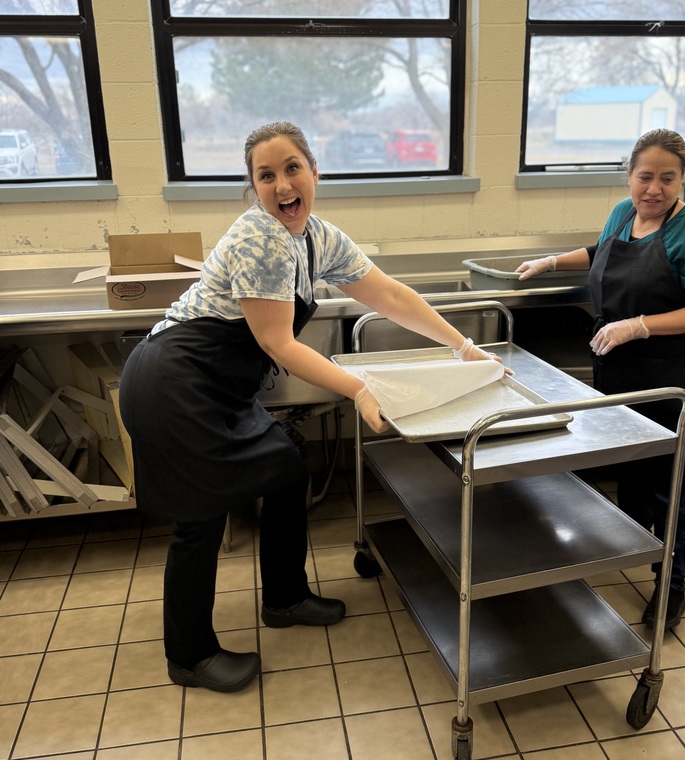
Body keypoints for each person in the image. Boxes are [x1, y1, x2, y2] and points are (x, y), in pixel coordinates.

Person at [119, 120, 503, 693]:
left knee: (287, 466)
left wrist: (463, 346)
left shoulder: (316, 237)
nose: (281, 186)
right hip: (175, 383)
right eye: (265, 176)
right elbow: (278, 343)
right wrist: (358, 388)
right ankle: (190, 655)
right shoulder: (261, 238)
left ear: (314, 171)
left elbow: (390, 295)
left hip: (218, 387)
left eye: (292, 168)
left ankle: (285, 596)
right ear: (253, 189)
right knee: (200, 519)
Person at [515, 129, 685, 631]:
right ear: (629, 175)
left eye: (667, 179)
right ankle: (623, 556)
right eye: (645, 177)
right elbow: (599, 251)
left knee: (663, 486)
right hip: (616, 372)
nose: (654, 189)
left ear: (681, 180)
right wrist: (551, 261)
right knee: (626, 476)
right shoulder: (622, 213)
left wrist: (641, 325)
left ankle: (670, 586)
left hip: (664, 378)